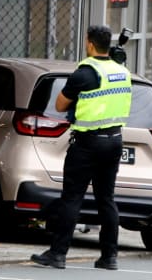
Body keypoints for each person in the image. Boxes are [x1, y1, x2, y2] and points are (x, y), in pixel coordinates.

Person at [31, 24, 132, 271]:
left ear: (90, 44)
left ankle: (58, 254)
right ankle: (109, 257)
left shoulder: (85, 73)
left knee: (72, 198)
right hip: (115, 140)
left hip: (88, 143)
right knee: (106, 199)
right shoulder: (122, 72)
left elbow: (60, 104)